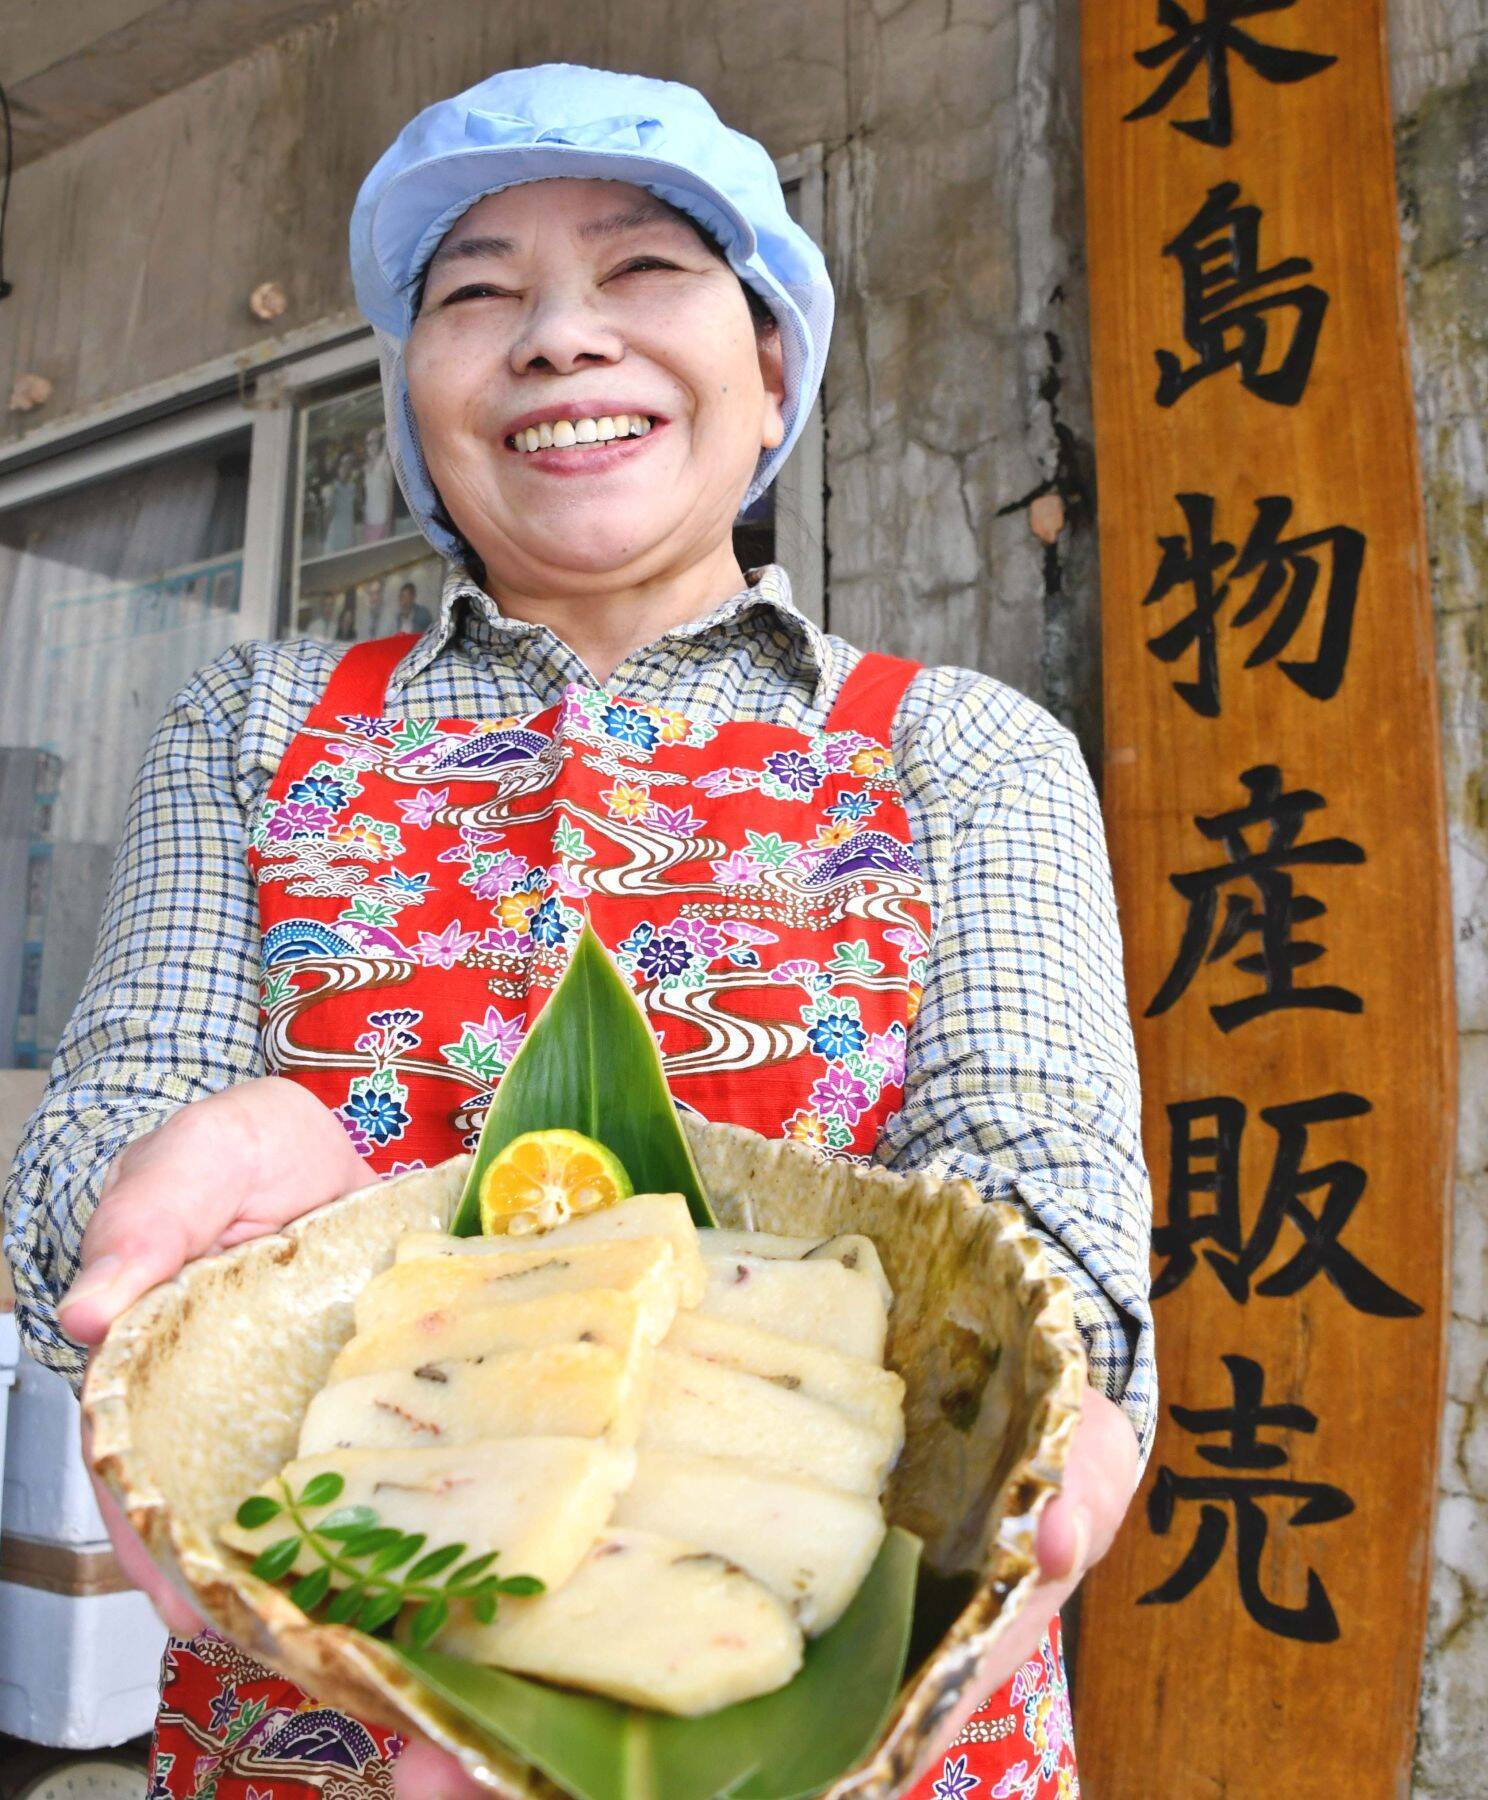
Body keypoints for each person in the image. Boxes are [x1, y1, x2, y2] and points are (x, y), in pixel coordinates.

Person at [1, 62, 1153, 1800]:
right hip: (325, 1684)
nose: (556, 336)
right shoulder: (255, 722)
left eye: (644, 271)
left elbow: (1031, 1159)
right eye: (476, 294)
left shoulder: (960, 743)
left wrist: (1039, 1385)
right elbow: (107, 1122)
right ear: (415, 403)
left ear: (769, 374)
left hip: (831, 1697)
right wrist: (151, 1211)